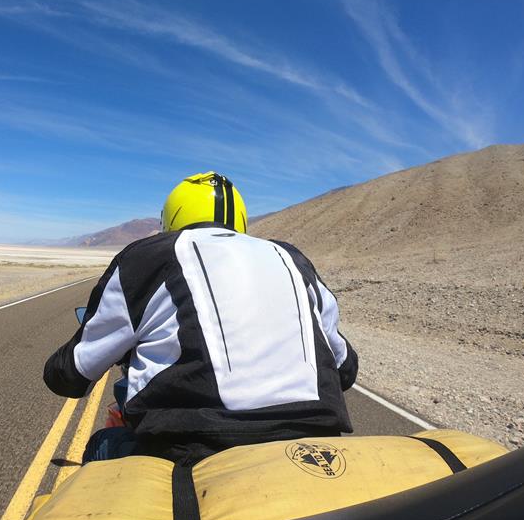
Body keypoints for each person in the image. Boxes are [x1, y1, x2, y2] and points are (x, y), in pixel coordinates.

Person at [44, 171, 358, 465]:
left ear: (172, 217)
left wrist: (59, 370)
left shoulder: (146, 257)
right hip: (313, 449)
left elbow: (73, 374)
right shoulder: (293, 257)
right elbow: (345, 368)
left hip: (189, 451)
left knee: (102, 444)